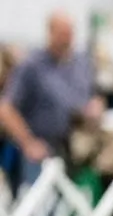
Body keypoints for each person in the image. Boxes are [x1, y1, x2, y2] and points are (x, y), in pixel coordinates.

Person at [0, 12, 102, 184]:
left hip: (76, 150)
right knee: (40, 206)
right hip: (41, 152)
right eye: (63, 34)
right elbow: (6, 108)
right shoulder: (31, 65)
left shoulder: (81, 63)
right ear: (50, 32)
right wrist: (28, 143)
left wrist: (96, 108)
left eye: (70, 33)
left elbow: (95, 96)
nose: (67, 39)